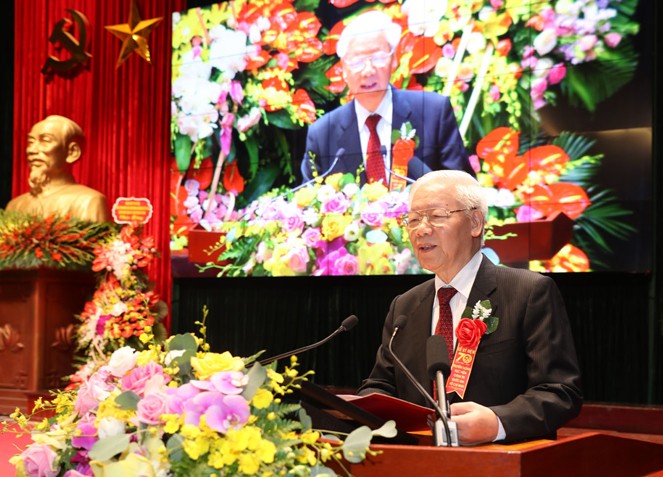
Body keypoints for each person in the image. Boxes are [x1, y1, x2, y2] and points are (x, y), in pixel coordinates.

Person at [356, 170, 582, 445]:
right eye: (413, 219)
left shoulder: (528, 292)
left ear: (476, 222)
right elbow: (381, 386)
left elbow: (560, 392)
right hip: (417, 460)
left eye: (437, 215)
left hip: (500, 461)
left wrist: (496, 423)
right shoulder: (405, 305)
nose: (421, 229)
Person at [301, 10, 474, 188]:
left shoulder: (433, 112)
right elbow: (309, 205)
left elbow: (466, 196)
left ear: (393, 61)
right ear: (344, 69)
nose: (368, 70)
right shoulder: (322, 134)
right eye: (357, 61)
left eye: (377, 57)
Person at [6, 115, 110, 222]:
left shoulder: (89, 201)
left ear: (72, 152)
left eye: (45, 141)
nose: (32, 150)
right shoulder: (15, 205)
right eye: (31, 142)